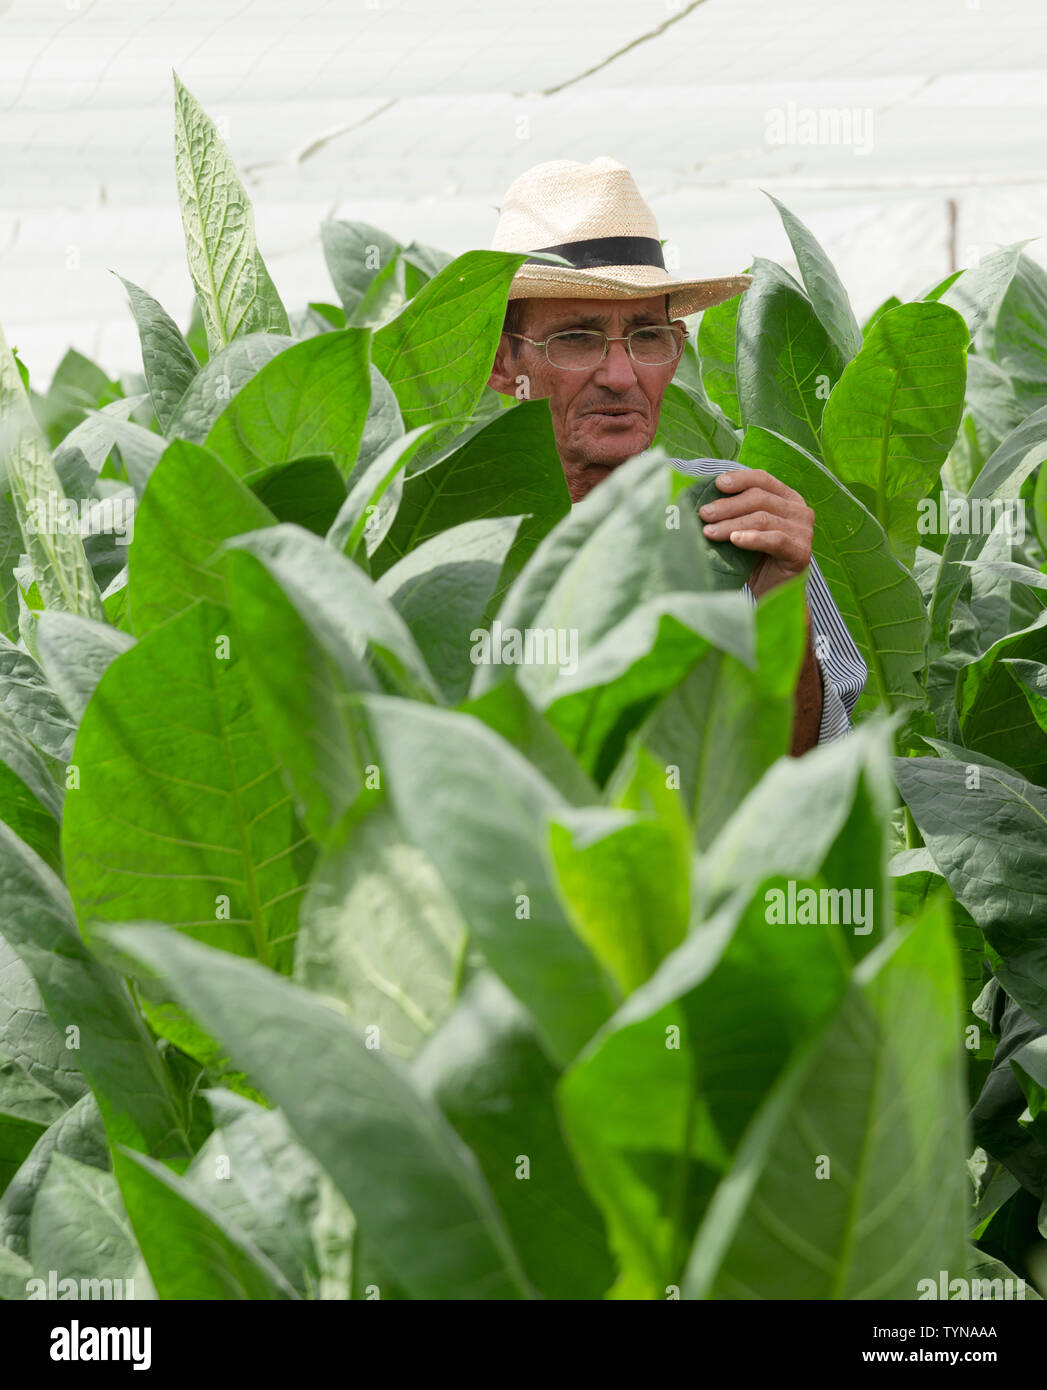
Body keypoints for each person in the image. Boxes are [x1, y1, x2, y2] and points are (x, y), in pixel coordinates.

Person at [486, 156, 866, 753]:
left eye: (647, 336)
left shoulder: (733, 513)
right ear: (503, 365)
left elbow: (799, 769)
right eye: (576, 338)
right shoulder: (460, 535)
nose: (620, 374)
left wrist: (779, 597)